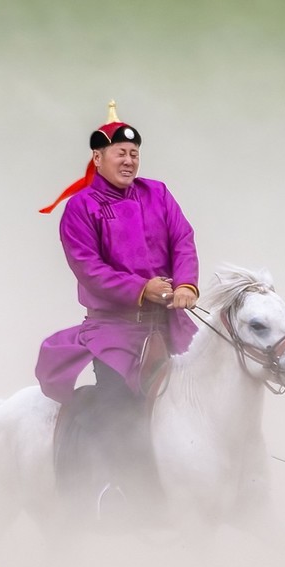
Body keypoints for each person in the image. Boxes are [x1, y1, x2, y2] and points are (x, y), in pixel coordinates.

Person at [34, 101, 200, 516]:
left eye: (134, 153)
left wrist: (185, 284)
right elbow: (89, 269)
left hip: (166, 325)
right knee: (117, 403)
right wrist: (142, 289)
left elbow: (182, 239)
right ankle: (114, 491)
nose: (129, 160)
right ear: (97, 158)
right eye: (120, 153)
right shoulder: (80, 207)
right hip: (113, 330)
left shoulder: (158, 193)